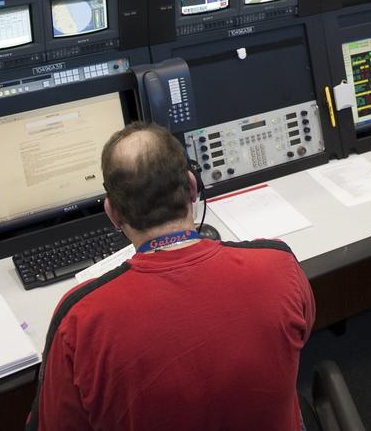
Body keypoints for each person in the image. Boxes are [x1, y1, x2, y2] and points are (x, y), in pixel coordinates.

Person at [29, 123, 314, 431]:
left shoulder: (80, 319)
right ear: (192, 187)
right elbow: (299, 335)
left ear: (113, 213)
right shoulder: (278, 265)